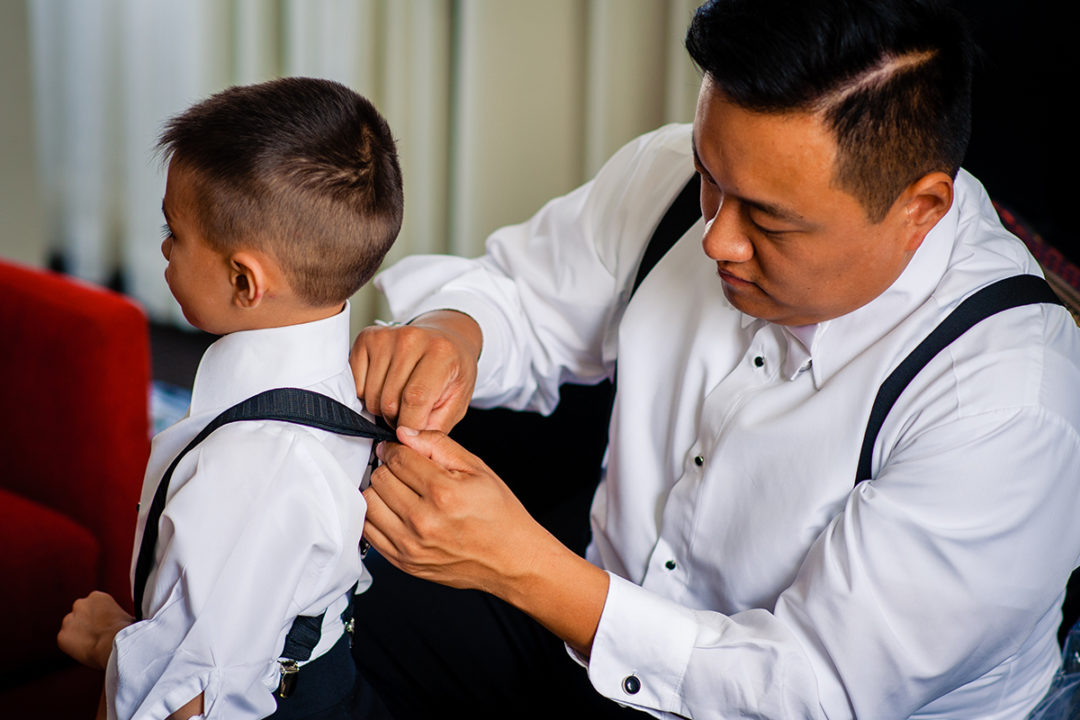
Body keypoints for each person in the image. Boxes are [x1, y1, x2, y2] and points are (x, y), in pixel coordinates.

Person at [348, 1, 1080, 718]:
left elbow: (809, 690)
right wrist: (456, 333)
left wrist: (520, 565)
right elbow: (523, 295)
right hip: (595, 599)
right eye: (710, 177)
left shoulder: (1007, 404)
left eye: (768, 219)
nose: (717, 240)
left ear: (922, 207)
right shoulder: (687, 173)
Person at [57, 76, 403, 720]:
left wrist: (112, 645)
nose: (162, 246)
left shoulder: (246, 466)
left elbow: (185, 702)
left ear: (244, 280)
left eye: (174, 231)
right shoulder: (342, 383)